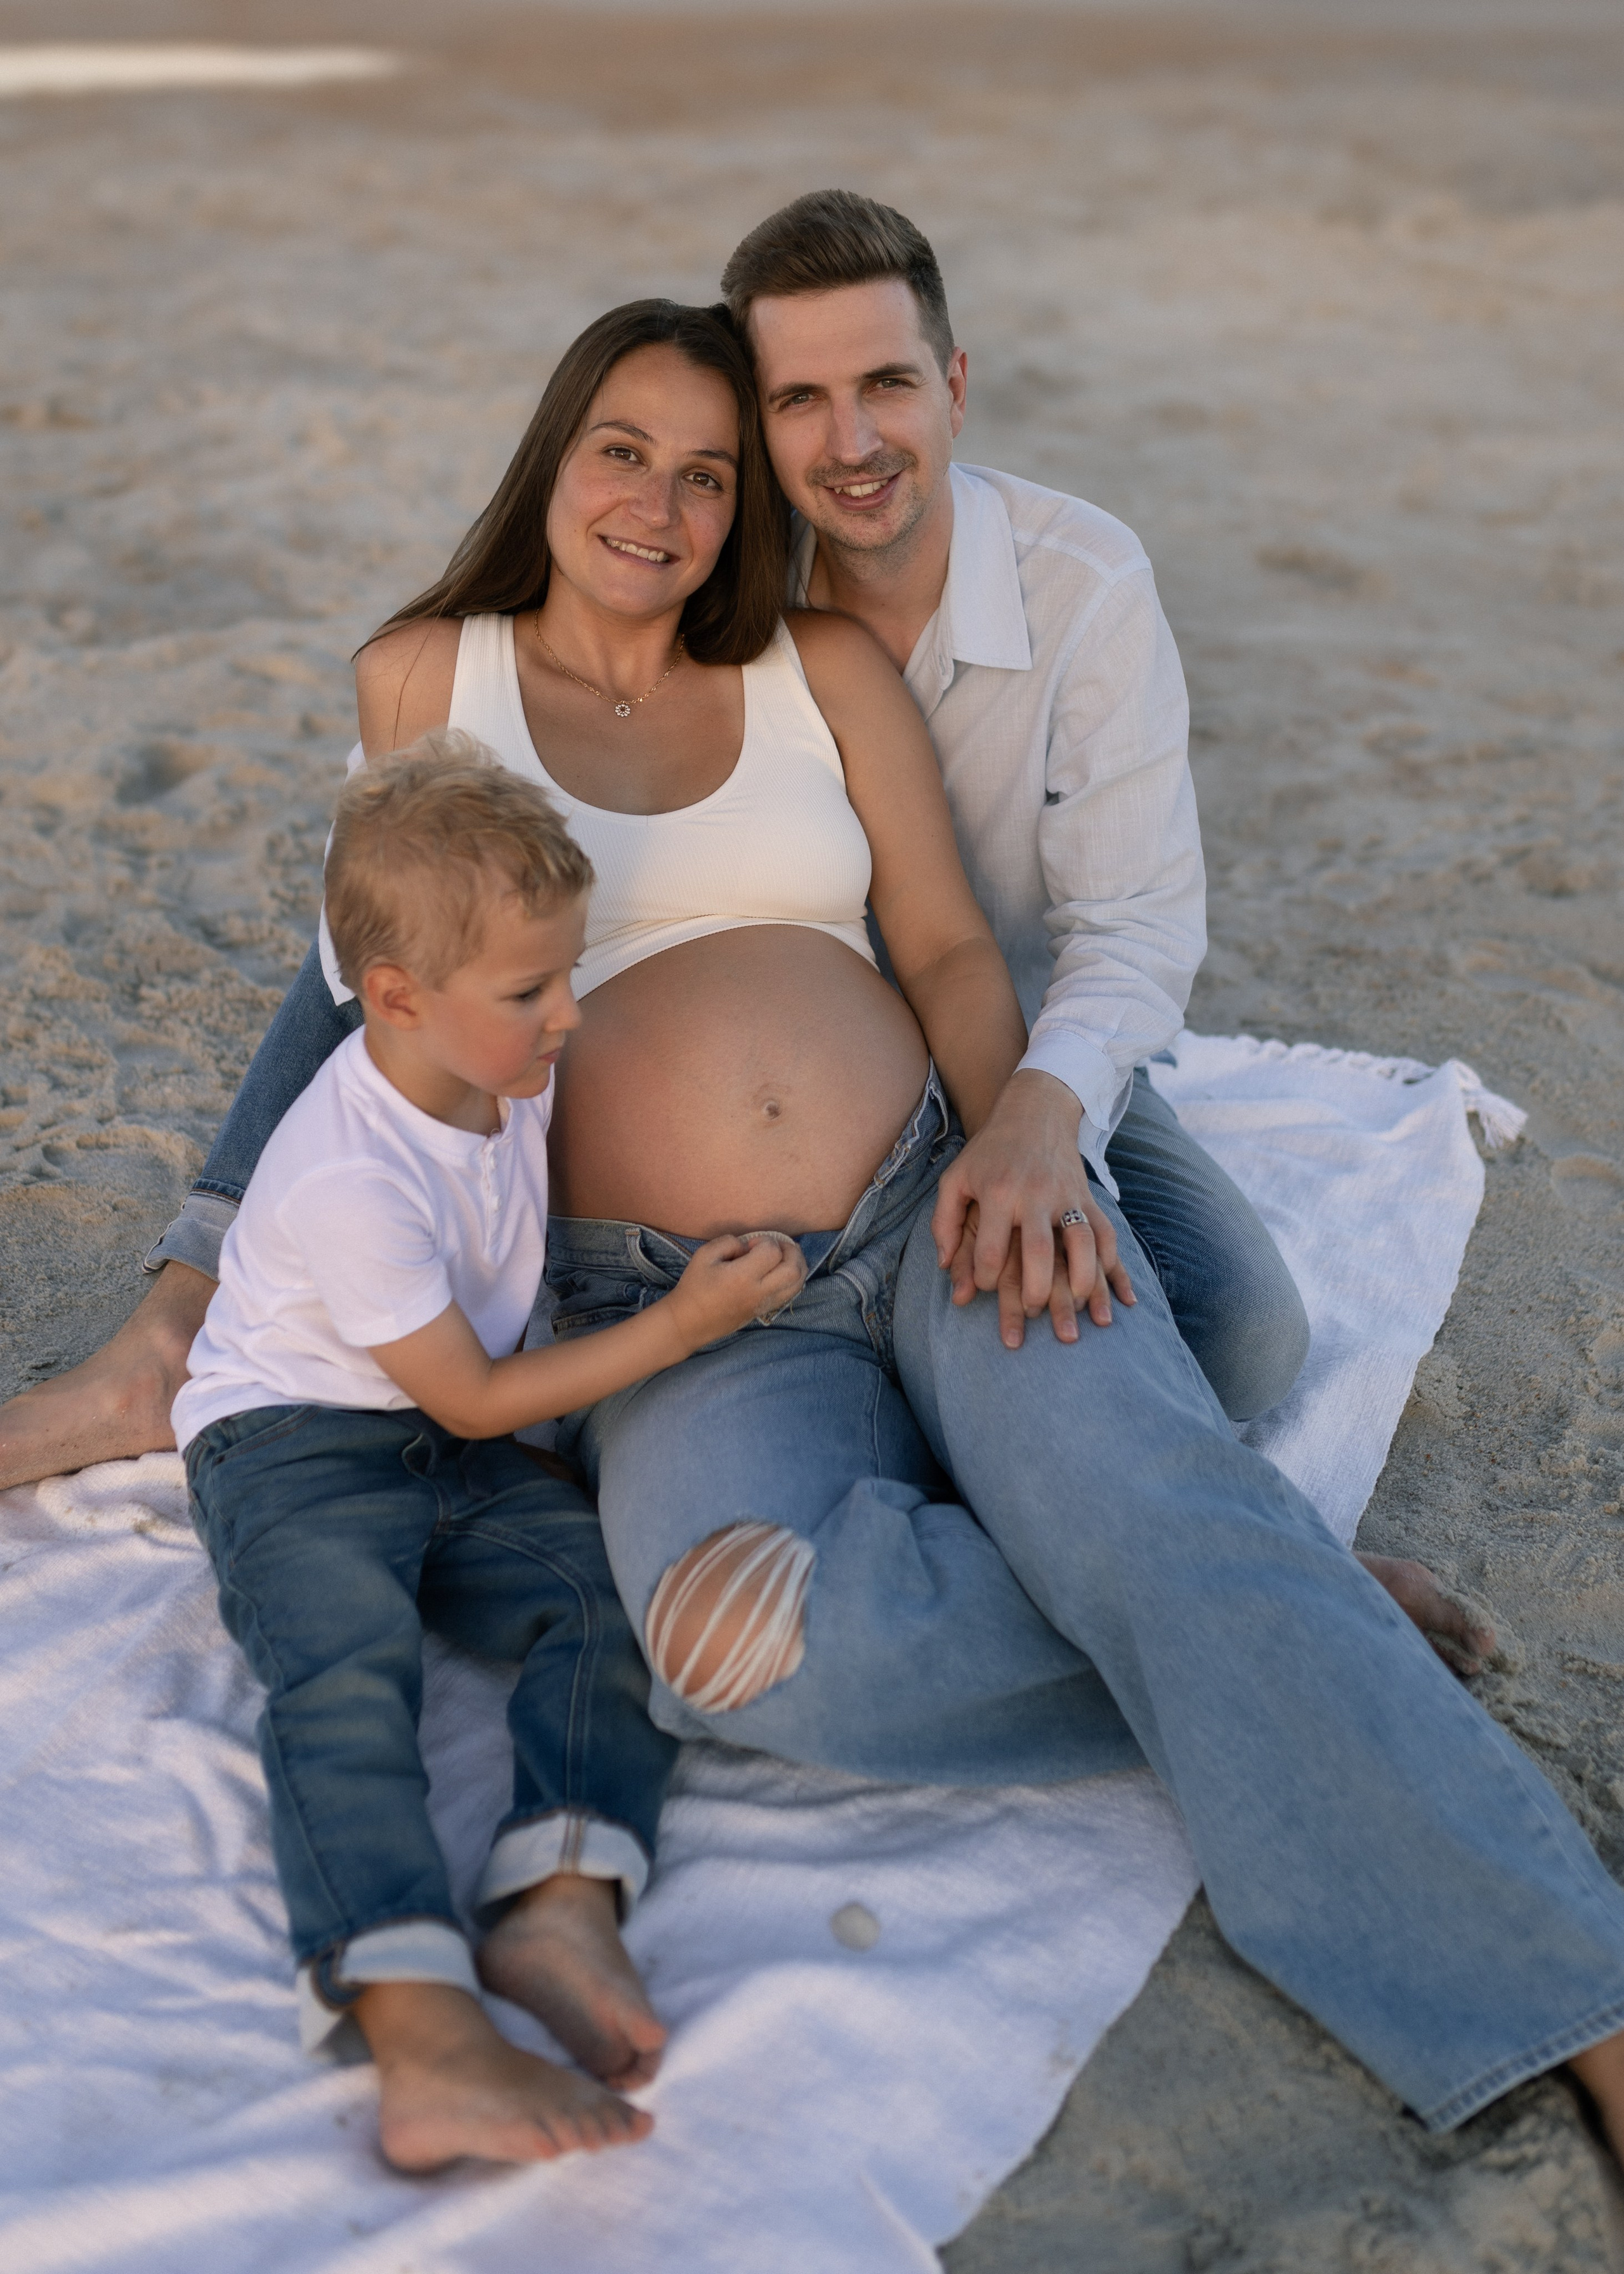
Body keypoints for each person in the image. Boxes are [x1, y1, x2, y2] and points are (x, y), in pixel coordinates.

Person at [10, 292, 1624, 2146]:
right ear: (554, 455)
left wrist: (1037, 1149)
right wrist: (191, 1281)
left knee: (1145, 1490)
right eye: (621, 449)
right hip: (679, 1302)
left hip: (938, 1198)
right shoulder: (419, 681)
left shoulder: (813, 668)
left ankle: (1576, 1999)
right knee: (729, 1649)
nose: (660, 503)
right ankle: (1263, 1598)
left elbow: (943, 943)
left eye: (707, 472)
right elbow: (353, 997)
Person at [176, 733, 802, 2171]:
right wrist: (690, 1322)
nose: (567, 1016)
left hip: (445, 1428)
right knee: (345, 1677)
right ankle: (418, 2024)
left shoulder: (493, 1072)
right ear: (391, 998)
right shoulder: (350, 1170)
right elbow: (467, 1399)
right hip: (291, 1444)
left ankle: (558, 1891)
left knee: (602, 1589)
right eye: (531, 991)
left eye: (566, 975)